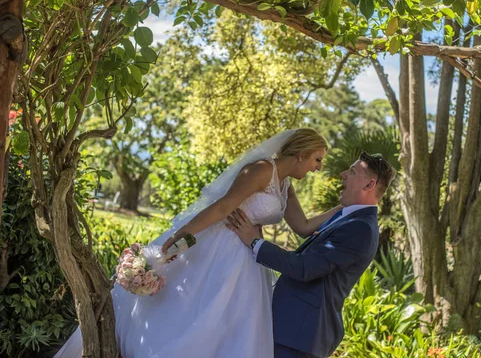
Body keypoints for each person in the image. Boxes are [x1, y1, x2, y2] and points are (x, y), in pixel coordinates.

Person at [55, 128, 341, 358]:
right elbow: (221, 208)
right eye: (317, 159)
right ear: (302, 154)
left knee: (235, 325)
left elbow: (303, 226)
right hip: (223, 248)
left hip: (250, 258)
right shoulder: (262, 170)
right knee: (201, 316)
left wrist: (344, 207)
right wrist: (181, 236)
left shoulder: (286, 185)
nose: (318, 167)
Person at [227, 151, 396, 358]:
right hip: (293, 331)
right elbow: (305, 233)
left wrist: (254, 242)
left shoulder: (360, 228)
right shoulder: (347, 217)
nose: (343, 174)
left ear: (369, 185)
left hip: (300, 337)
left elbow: (304, 268)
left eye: (351, 172)